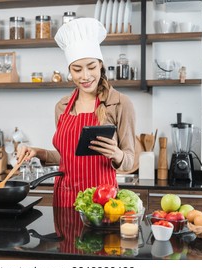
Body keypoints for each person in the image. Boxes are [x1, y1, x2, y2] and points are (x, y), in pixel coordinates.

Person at [17, 18, 136, 207]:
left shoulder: (120, 103)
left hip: (102, 202)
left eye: (91, 67)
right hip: (65, 199)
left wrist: (117, 154)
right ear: (69, 71)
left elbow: (130, 160)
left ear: (100, 66)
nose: (85, 76)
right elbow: (67, 156)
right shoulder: (62, 106)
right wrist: (37, 152)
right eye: (77, 69)